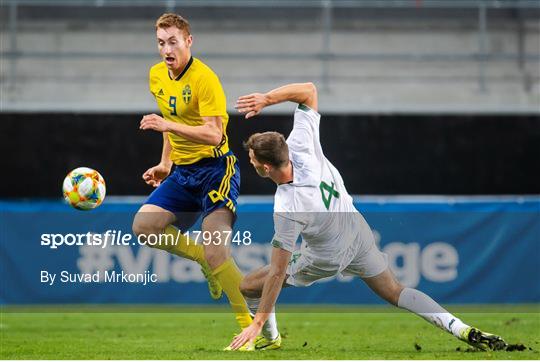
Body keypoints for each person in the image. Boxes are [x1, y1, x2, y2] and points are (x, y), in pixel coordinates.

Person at [228, 82, 507, 352]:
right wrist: (267, 99)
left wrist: (258, 322)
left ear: (265, 167)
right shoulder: (301, 146)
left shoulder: (288, 206)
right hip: (357, 233)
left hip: (326, 256)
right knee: (395, 291)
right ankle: (460, 328)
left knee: (249, 286)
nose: (250, 162)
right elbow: (309, 90)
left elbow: (277, 272)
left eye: (252, 160)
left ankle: (269, 337)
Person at [131, 13, 252, 335]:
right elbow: (170, 125)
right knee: (144, 227)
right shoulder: (157, 74)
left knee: (217, 252)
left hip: (216, 170)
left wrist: (166, 124)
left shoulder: (204, 79)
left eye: (173, 41)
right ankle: (203, 262)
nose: (166, 49)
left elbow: (214, 134)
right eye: (160, 42)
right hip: (183, 172)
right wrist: (165, 164)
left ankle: (256, 330)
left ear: (188, 41)